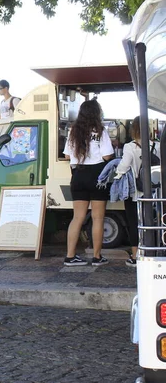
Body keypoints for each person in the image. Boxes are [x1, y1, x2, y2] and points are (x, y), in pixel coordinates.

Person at [63, 99, 114, 266]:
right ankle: (97, 257)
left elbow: (67, 156)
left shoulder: (73, 131)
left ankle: (70, 256)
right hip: (97, 175)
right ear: (96, 113)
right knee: (98, 218)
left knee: (77, 217)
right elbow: (107, 156)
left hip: (78, 174)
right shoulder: (100, 131)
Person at [114, 117, 143, 267]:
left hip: (135, 193)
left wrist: (116, 174)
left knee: (134, 223)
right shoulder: (157, 145)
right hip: (153, 193)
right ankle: (152, 251)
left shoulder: (130, 147)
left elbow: (123, 166)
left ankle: (135, 256)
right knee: (151, 222)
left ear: (133, 130)